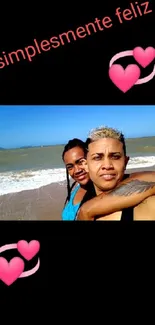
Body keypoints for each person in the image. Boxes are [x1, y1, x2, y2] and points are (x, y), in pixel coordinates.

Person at [77, 126, 155, 221]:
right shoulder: (83, 198)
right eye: (97, 158)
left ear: (125, 162)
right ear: (85, 165)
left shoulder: (147, 206)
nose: (107, 165)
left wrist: (87, 210)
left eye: (115, 157)